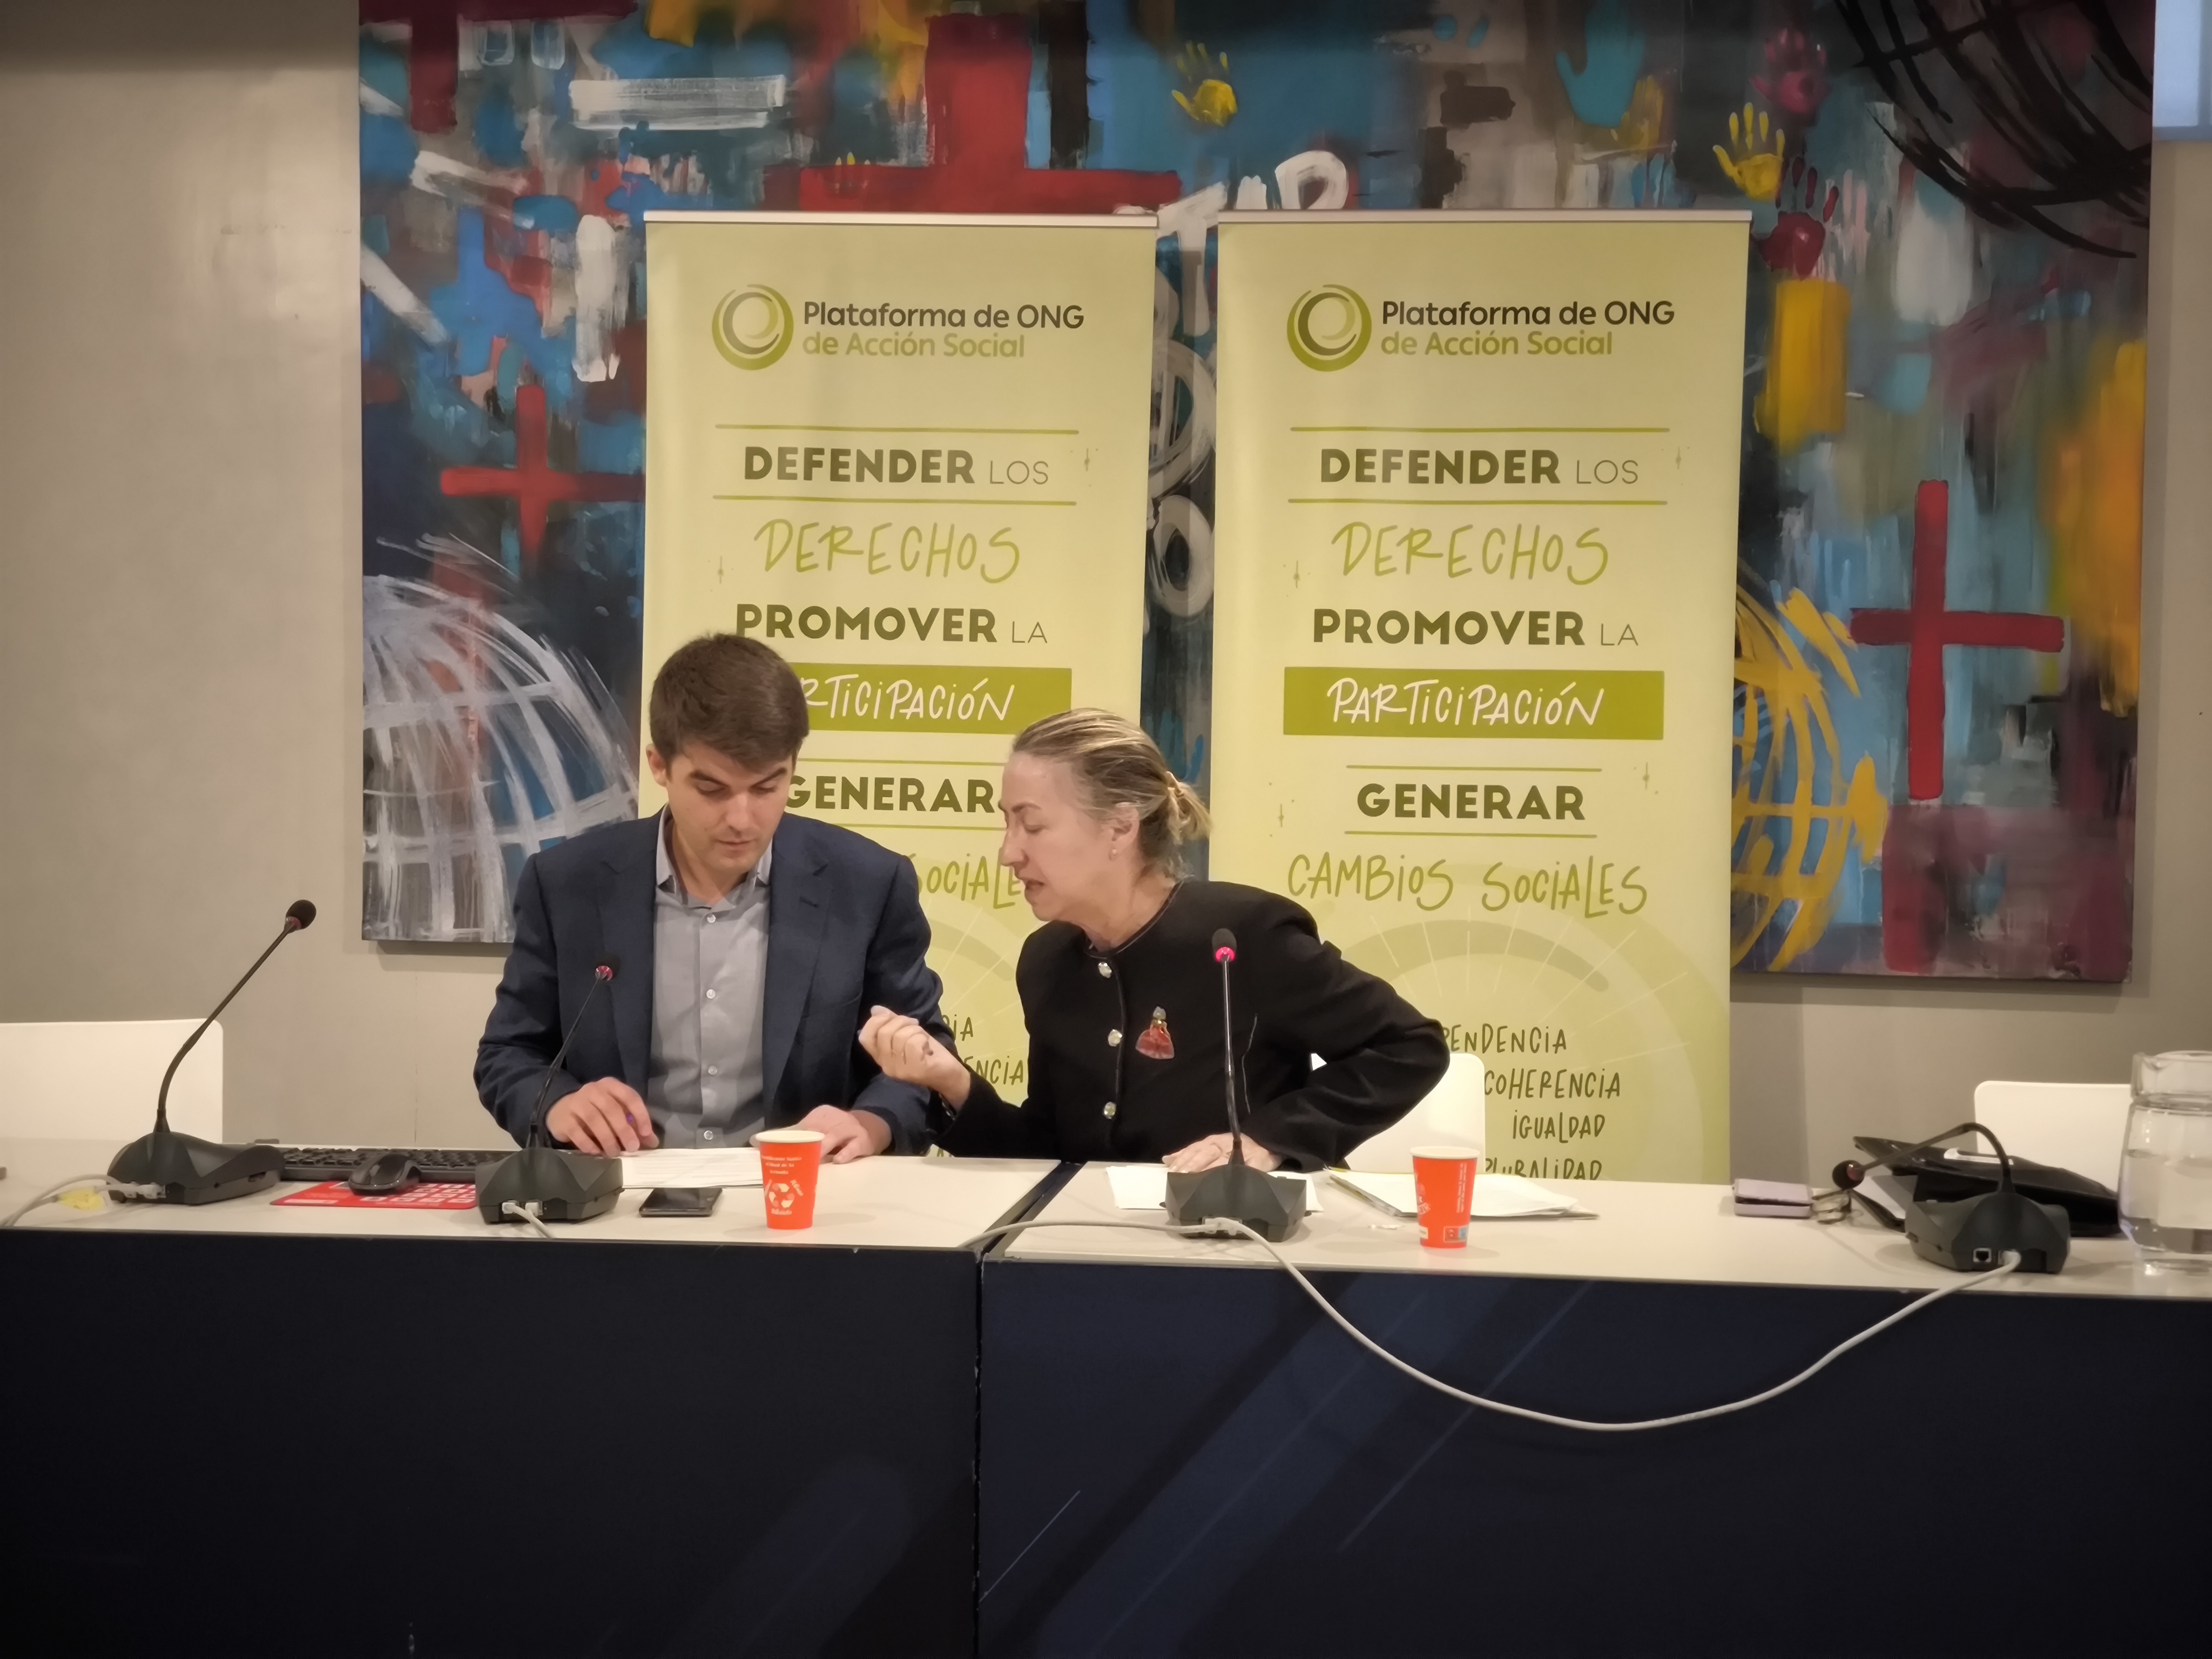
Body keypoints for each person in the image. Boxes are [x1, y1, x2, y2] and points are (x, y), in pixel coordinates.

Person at [859, 709, 1448, 1171]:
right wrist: (950, 1081)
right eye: (1007, 823)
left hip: (1243, 1250)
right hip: (1094, 1253)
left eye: (1032, 825)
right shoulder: (1047, 961)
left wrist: (1268, 1140)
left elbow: (1408, 1047)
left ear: (1119, 828)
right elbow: (1047, 1155)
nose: (1008, 852)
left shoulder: (1242, 936)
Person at [475, 635, 955, 1161]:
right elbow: (510, 1054)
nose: (741, 820)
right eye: (712, 789)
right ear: (659, 766)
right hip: (621, 1192)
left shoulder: (867, 884)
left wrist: (870, 1124)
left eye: (767, 787)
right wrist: (556, 1104)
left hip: (805, 1194)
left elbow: (927, 1056)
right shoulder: (567, 884)